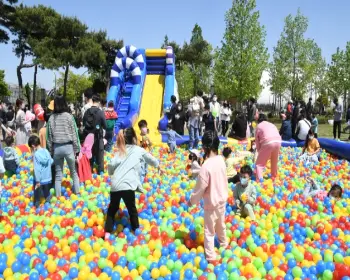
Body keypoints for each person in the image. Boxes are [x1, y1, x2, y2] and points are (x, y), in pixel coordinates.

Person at [104, 128, 161, 239]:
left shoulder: (120, 151)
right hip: (128, 185)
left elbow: (111, 165)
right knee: (131, 208)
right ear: (134, 138)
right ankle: (135, 229)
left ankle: (107, 232)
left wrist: (111, 173)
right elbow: (150, 159)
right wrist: (158, 165)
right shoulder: (138, 150)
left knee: (112, 208)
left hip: (116, 185)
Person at [188, 131, 228, 264]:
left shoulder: (206, 166)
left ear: (204, 148)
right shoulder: (221, 160)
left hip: (211, 203)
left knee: (209, 231)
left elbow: (200, 187)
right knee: (221, 226)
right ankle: (224, 244)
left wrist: (192, 201)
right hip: (222, 201)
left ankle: (211, 257)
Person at [46, 95, 80, 197]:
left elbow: (49, 137)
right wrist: (77, 149)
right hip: (68, 147)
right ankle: (77, 193)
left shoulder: (51, 118)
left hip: (57, 148)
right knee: (73, 172)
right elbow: (75, 134)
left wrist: (50, 151)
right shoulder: (69, 117)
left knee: (58, 174)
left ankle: (57, 195)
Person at [83, 95, 107, 174]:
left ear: (92, 101)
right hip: (98, 137)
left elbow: (83, 123)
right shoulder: (100, 112)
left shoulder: (87, 112)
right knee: (100, 157)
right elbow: (105, 125)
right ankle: (100, 173)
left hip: (88, 137)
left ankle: (89, 172)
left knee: (90, 156)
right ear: (99, 102)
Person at [28, 135, 53, 207]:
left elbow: (37, 169)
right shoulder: (46, 151)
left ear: (33, 146)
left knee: (37, 192)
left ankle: (36, 205)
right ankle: (48, 203)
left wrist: (38, 181)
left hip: (40, 179)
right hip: (48, 177)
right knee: (46, 191)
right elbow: (51, 161)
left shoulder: (36, 154)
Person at [255, 113, 281, 181]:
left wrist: (259, 152)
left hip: (268, 142)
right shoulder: (272, 124)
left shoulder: (259, 126)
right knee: (274, 161)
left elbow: (257, 141)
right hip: (278, 141)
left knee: (259, 164)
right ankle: (274, 176)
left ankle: (259, 180)